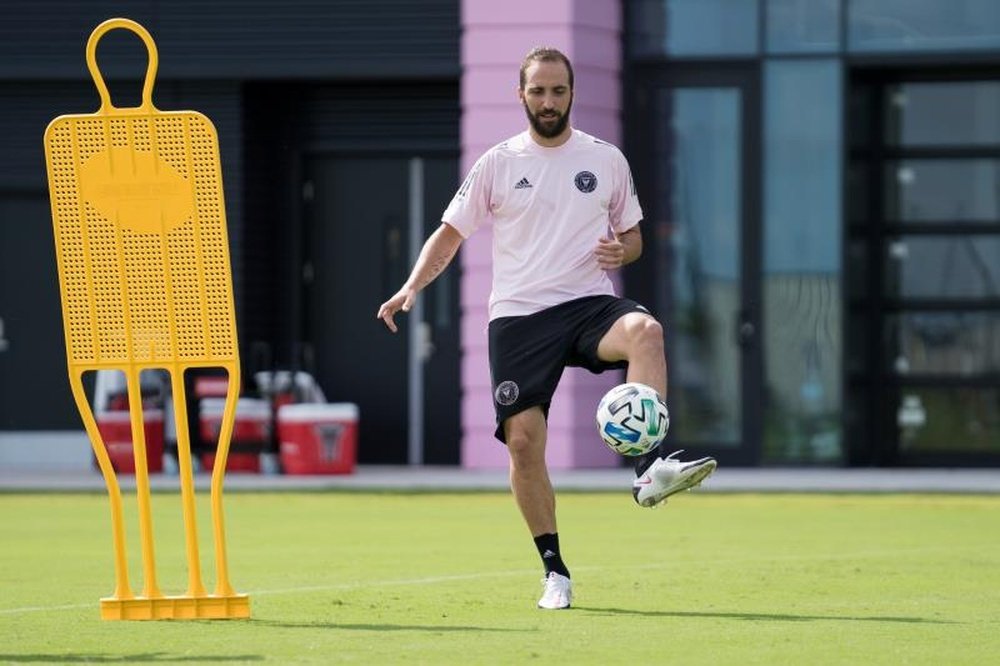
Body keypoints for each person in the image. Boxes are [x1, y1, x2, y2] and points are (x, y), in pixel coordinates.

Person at [377, 46, 716, 610]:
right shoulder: (497, 163)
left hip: (586, 303)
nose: (549, 101)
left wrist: (620, 250)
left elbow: (632, 236)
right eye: (538, 91)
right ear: (522, 95)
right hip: (517, 317)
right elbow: (450, 233)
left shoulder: (606, 159)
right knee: (524, 443)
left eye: (558, 91)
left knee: (646, 333)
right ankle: (554, 571)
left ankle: (648, 468)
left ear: (572, 93)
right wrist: (413, 285)